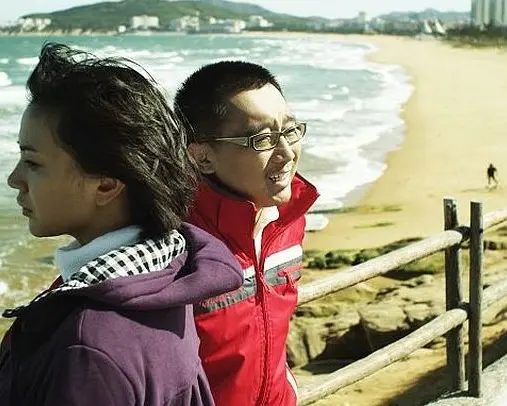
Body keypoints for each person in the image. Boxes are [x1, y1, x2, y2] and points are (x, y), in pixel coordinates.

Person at [0, 44, 243, 406]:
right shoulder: (165, 274)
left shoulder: (87, 349)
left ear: (106, 186)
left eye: (32, 163)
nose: (14, 179)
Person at [174, 61, 319, 405]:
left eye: (289, 131)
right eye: (262, 139)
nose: (286, 153)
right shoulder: (173, 240)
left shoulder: (289, 220)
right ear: (202, 157)